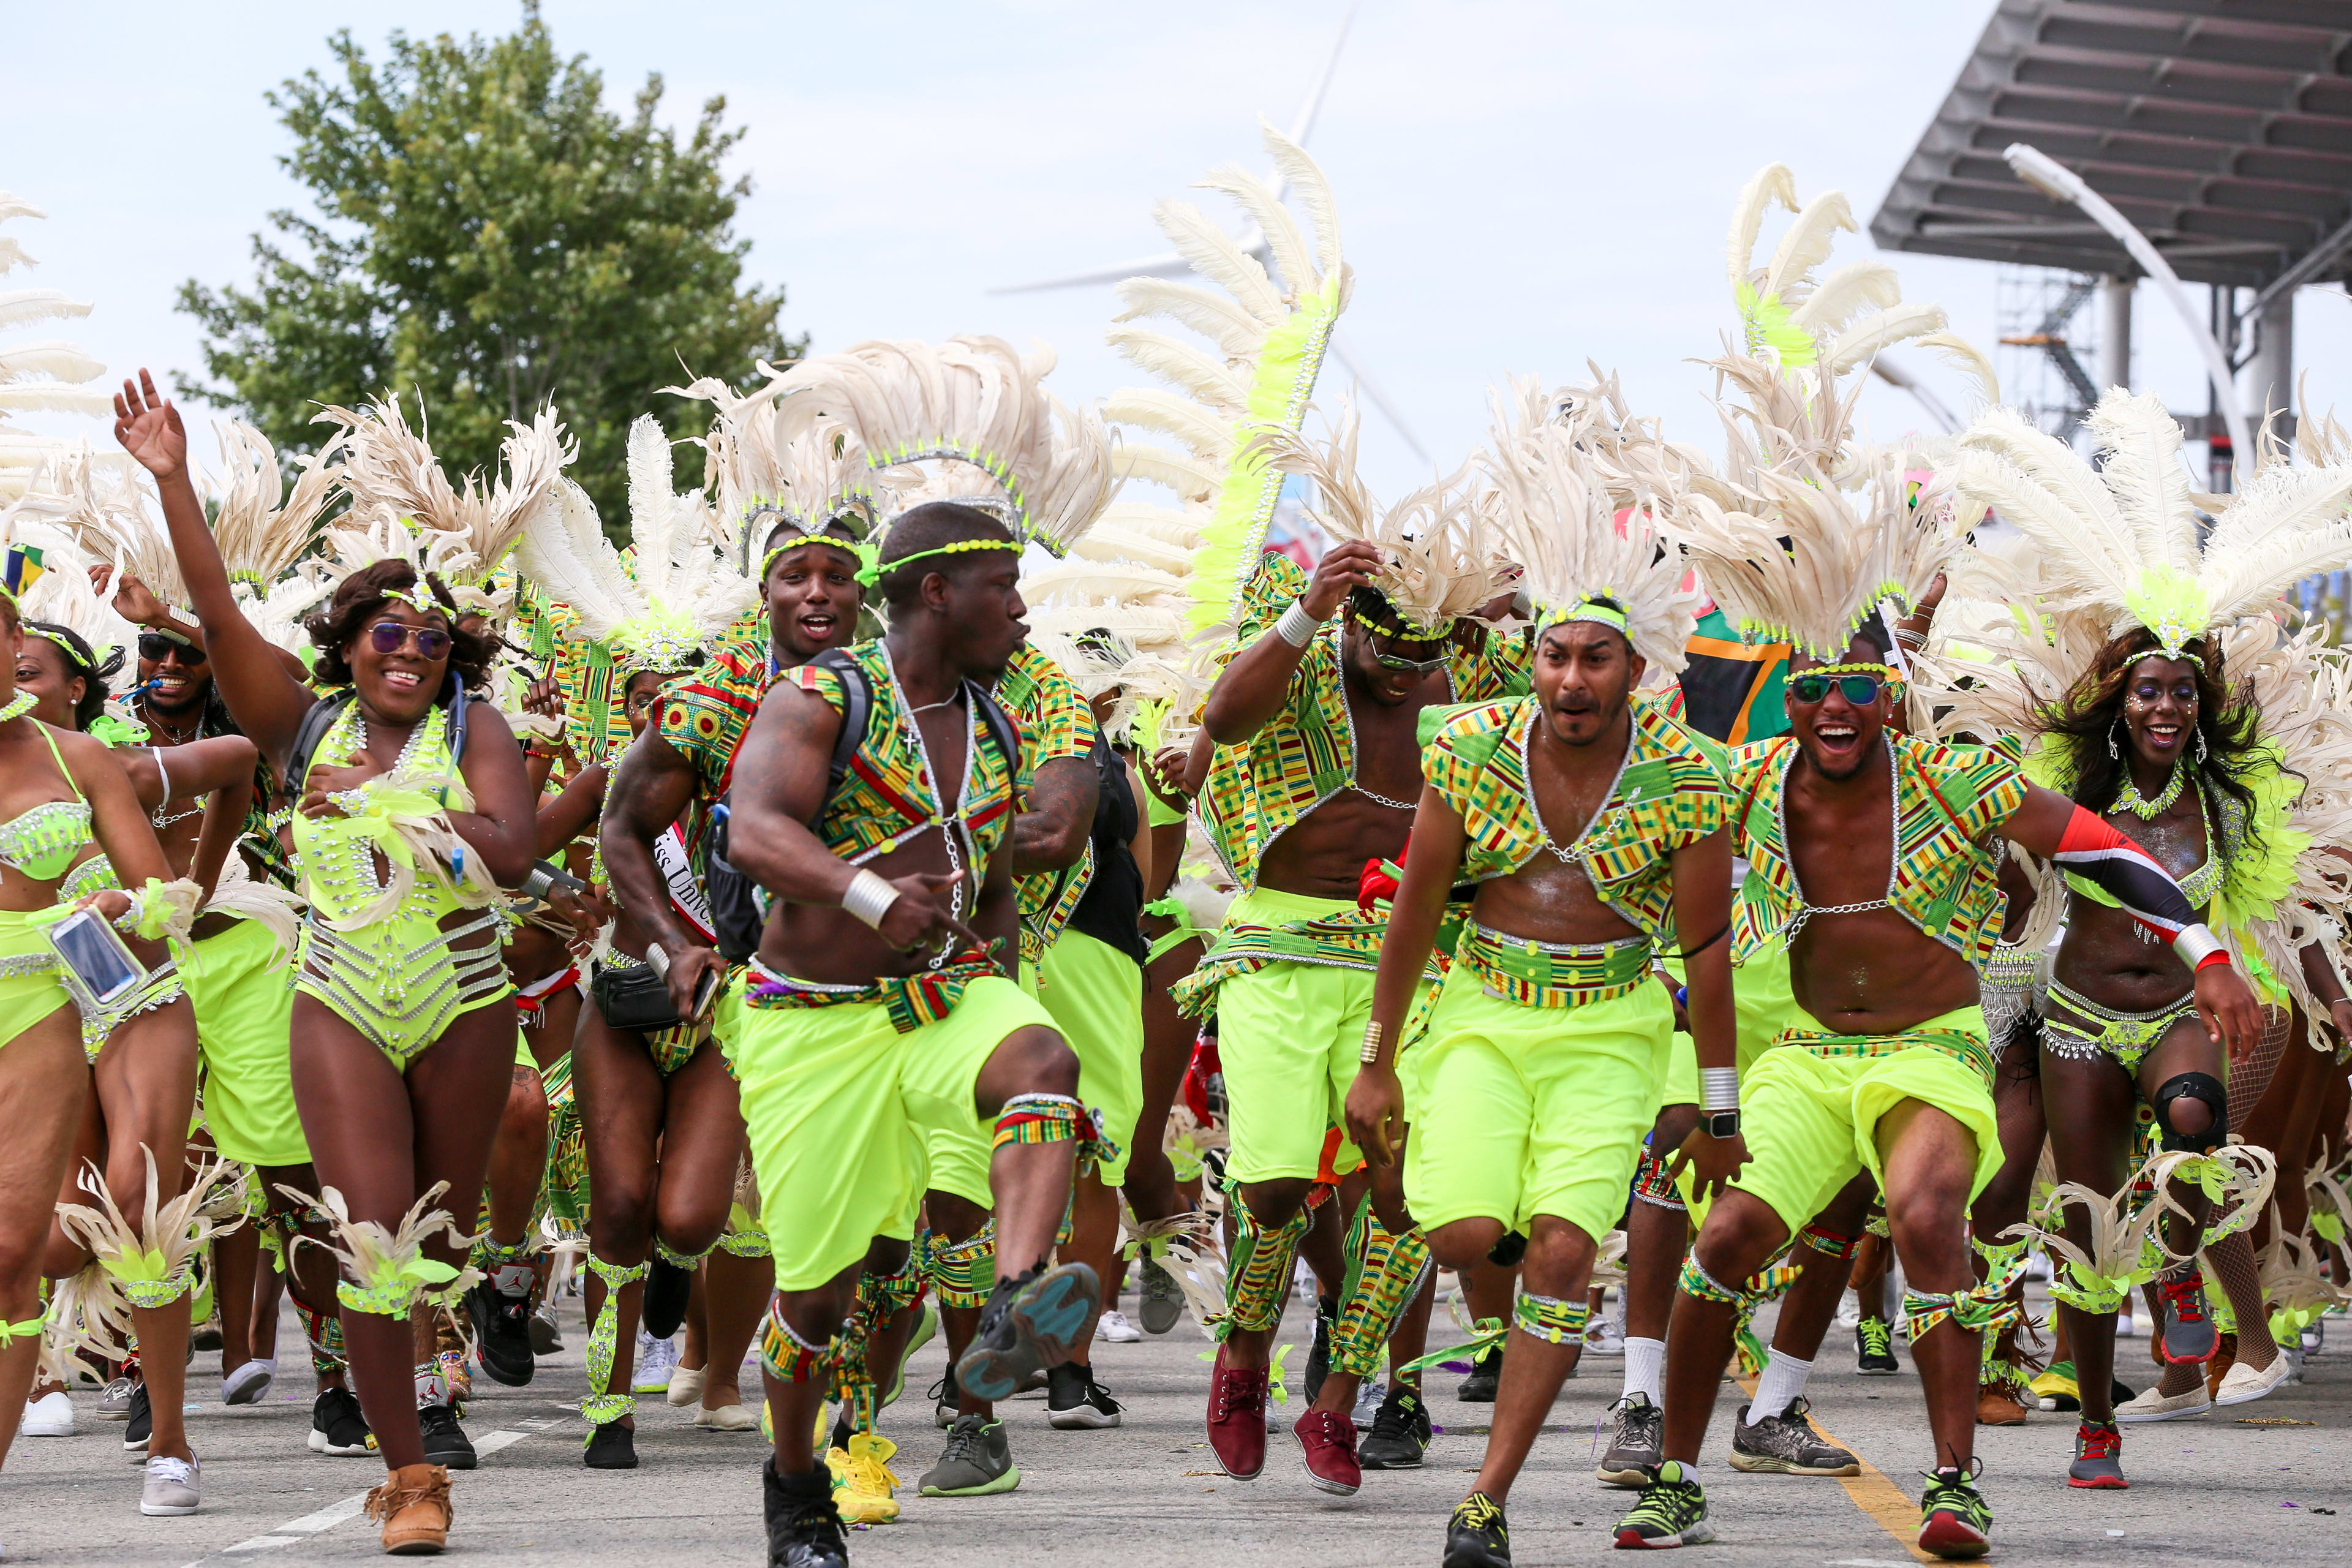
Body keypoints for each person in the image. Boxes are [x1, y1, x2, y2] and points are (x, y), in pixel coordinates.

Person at [1611, 412, 2262, 1559]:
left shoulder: (1957, 778)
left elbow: (2104, 851)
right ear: (1791, 693)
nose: (1838, 710)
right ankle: (1672, 1474)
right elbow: (1627, 818)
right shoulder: (1748, 782)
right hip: (1807, 1059)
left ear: (1891, 689)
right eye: (1815, 687)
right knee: (1726, 1245)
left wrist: (2207, 951)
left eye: (1861, 686)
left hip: (1932, 1052)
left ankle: (1957, 1482)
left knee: (1924, 1218)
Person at [115, 371, 549, 1555]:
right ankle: (409, 1477)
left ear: (453, 655)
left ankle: (457, 1331)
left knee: (439, 1240)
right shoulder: (297, 725)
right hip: (342, 996)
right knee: (371, 1235)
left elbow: (513, 855)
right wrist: (173, 479)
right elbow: (215, 611)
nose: (409, 654)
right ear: (349, 647)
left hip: (463, 998)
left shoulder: (480, 733)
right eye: (386, 636)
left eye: (431, 641)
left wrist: (397, 804)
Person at [1926, 390, 2352, 1482]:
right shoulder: (2069, 792)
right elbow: (2011, 894)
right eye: (2150, 690)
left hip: (2175, 1013)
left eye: (2184, 693)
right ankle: (2098, 1424)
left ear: (2204, 705)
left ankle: (2176, 1271)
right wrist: (1989, 1000)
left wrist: (2327, 988)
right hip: (2073, 1020)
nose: (2167, 708)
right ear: (2119, 701)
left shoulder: (2231, 807)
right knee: (2076, 1229)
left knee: (2197, 1131)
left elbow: (2279, 902)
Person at [1344, 379, 1735, 1567]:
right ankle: (1505, 1250)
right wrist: (1376, 1061)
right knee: (1462, 1232)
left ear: (1636, 665)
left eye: (1597, 658)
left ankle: (1487, 1496)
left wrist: (1716, 1105)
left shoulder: (1688, 778)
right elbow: (1414, 911)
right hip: (1480, 1013)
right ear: (1535, 653)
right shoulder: (1466, 746)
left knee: (1570, 1250)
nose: (1573, 679)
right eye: (1557, 654)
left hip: (1612, 1023)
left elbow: (1708, 952)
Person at [725, 500, 1103, 1568]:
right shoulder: (820, 696)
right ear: (936, 592)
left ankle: (1016, 1300)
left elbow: (990, 891)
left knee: (1046, 1063)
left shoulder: (996, 720)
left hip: (944, 999)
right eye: (1003, 585)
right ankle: (796, 1488)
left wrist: (1005, 996)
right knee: (819, 1296)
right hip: (815, 1024)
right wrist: (868, 900)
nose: (1022, 610)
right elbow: (755, 832)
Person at [1180, 408, 1519, 1496]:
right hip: (1280, 954)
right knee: (1277, 1190)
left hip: (1413, 966)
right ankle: (1241, 1353)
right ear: (1352, 621)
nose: (1398, 673)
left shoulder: (1468, 677)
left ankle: (1338, 1396)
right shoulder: (1304, 656)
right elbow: (1222, 722)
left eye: (1421, 654)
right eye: (1381, 647)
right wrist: (1298, 618)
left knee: (1408, 1193)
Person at [598, 380, 873, 1470]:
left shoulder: (901, 702)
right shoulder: (709, 702)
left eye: (839, 574)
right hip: (731, 995)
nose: (817, 590)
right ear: (761, 589)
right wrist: (674, 943)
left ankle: (847, 1436)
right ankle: (680, 1357)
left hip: (857, 997)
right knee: (672, 1214)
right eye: (796, 573)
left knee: (846, 1219)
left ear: (868, 594)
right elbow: (621, 830)